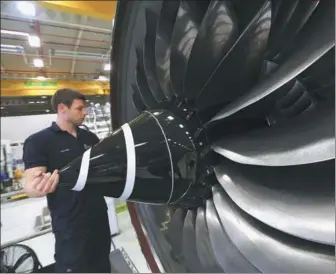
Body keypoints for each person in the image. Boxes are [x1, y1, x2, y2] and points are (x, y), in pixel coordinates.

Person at [22, 88, 111, 273]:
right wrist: (39, 187)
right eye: (79, 109)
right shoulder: (39, 141)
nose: (85, 113)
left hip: (98, 219)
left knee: (102, 266)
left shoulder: (90, 138)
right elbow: (30, 186)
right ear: (62, 108)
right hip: (70, 226)